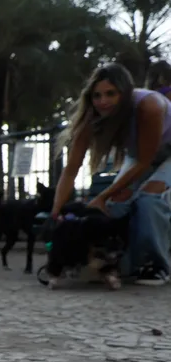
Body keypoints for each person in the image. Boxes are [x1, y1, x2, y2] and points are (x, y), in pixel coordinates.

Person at [52, 62, 171, 285]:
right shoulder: (92, 117)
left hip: (164, 153)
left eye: (110, 94)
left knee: (149, 199)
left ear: (124, 93)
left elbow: (146, 161)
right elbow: (70, 170)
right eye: (97, 95)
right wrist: (56, 211)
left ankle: (158, 265)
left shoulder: (149, 106)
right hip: (141, 156)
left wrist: (102, 195)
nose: (103, 101)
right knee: (115, 204)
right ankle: (122, 262)